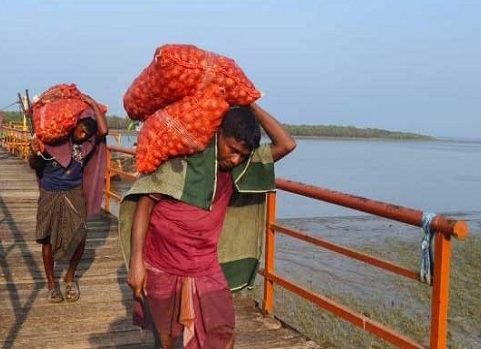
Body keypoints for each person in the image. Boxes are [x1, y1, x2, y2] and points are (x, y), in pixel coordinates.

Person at [124, 103, 296, 349]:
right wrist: (136, 263)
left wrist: (249, 104)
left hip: (204, 266)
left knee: (223, 332)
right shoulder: (183, 158)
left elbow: (286, 144)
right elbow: (145, 204)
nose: (235, 158)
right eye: (232, 149)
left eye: (243, 155)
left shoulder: (238, 168)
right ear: (218, 133)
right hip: (161, 263)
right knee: (163, 338)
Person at [28, 94, 108, 303]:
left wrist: (91, 102)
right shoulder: (55, 141)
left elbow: (104, 130)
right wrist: (34, 152)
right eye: (81, 129)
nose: (83, 135)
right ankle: (51, 283)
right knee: (46, 238)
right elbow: (34, 165)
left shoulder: (86, 146)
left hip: (74, 191)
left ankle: (70, 276)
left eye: (87, 133)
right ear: (73, 125)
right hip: (50, 191)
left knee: (80, 235)